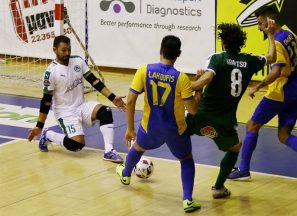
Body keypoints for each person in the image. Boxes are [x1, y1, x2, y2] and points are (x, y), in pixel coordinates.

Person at [228, 6, 297, 183]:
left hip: (278, 93)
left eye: (260, 23)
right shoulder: (288, 34)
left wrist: (257, 86)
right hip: (295, 92)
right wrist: (293, 65)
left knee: (251, 126)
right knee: (283, 135)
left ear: (268, 21)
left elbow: (276, 72)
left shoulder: (277, 42)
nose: (259, 27)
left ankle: (244, 170)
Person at [186, 21, 276, 199]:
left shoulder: (217, 58)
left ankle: (136, 154)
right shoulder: (250, 60)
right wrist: (271, 35)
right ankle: (218, 188)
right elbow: (271, 57)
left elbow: (206, 79)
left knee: (173, 131)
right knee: (235, 148)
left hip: (200, 116)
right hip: (225, 122)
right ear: (240, 43)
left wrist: (190, 84)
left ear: (223, 42)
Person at [116, 35, 202, 213]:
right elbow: (192, 109)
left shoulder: (144, 70)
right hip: (175, 130)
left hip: (150, 127)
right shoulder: (182, 79)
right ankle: (187, 200)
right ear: (178, 54)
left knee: (138, 146)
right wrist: (199, 89)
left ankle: (125, 175)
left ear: (160, 50)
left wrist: (130, 129)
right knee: (186, 159)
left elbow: (130, 101)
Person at [27, 35, 126, 163]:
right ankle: (48, 135)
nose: (67, 53)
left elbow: (94, 81)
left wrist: (113, 98)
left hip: (81, 106)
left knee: (105, 111)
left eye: (69, 49)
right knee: (77, 145)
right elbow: (46, 101)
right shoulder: (51, 72)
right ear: (54, 49)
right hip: (65, 112)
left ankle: (109, 151)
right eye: (63, 50)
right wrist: (39, 126)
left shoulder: (78, 61)